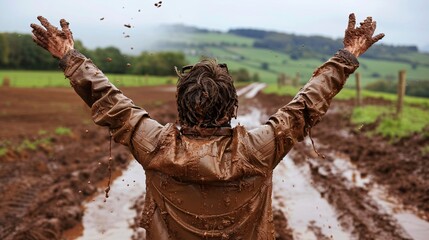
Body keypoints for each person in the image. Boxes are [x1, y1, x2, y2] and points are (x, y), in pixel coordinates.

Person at [31, 13, 384, 240]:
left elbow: (109, 100)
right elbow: (306, 106)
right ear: (232, 106)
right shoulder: (259, 149)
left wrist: (69, 56)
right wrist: (348, 55)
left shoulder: (155, 145)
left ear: (180, 105)